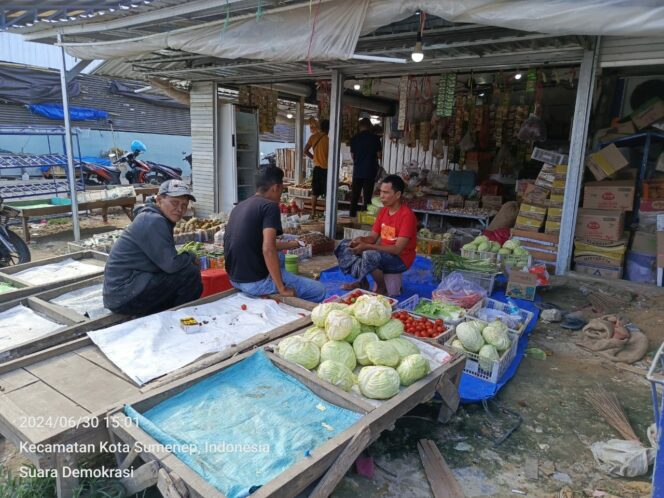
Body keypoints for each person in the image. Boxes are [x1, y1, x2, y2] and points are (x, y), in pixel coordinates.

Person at [224, 165, 326, 303]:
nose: (281, 194)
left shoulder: (239, 206)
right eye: (282, 190)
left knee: (280, 257)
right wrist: (282, 288)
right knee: (319, 290)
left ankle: (279, 281)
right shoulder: (270, 207)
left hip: (234, 279)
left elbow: (259, 243)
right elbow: (268, 249)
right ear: (275, 187)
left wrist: (292, 244)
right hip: (255, 283)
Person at [103, 179, 203, 316]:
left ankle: (164, 311)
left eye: (184, 205)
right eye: (175, 203)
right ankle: (179, 317)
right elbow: (171, 265)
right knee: (189, 272)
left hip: (123, 292)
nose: (180, 209)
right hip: (123, 295)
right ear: (159, 200)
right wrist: (190, 256)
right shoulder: (153, 221)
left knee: (180, 272)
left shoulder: (154, 217)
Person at [334, 175, 417, 295]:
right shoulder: (383, 211)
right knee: (345, 245)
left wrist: (366, 246)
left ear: (398, 195)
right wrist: (360, 240)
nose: (381, 196)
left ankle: (382, 288)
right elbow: (372, 238)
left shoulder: (407, 216)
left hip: (400, 260)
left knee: (369, 254)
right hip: (383, 254)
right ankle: (362, 282)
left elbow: (397, 249)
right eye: (381, 192)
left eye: (386, 193)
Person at [349, 117, 382, 217]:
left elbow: (352, 156)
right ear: (369, 126)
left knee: (355, 196)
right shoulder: (375, 139)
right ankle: (365, 217)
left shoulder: (354, 138)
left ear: (360, 127)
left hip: (358, 171)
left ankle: (352, 216)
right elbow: (379, 155)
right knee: (367, 197)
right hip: (370, 171)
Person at [304, 119, 329, 219]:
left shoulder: (313, 137)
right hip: (327, 170)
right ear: (328, 128)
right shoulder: (329, 139)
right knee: (328, 192)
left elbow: (305, 151)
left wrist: (314, 157)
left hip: (317, 168)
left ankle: (313, 213)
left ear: (319, 127)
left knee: (314, 192)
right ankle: (326, 214)